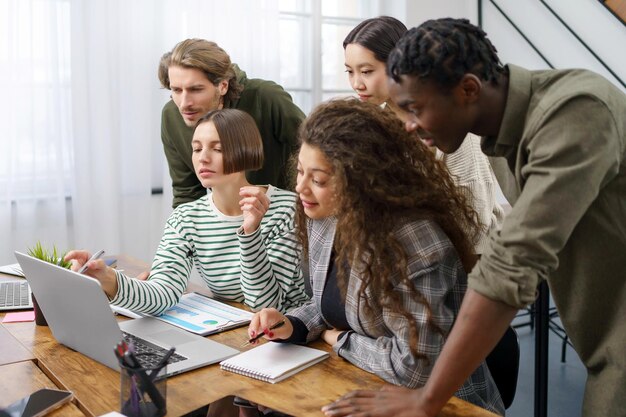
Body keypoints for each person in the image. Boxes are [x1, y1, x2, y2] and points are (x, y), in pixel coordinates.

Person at [323, 18, 626, 417]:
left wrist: (426, 398)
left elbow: (510, 263)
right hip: (603, 336)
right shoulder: (502, 133)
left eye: (415, 109)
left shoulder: (577, 110)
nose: (410, 125)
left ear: (468, 89)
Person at [249, 99, 504, 415]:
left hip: (446, 405)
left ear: (361, 180)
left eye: (318, 179)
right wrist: (294, 324)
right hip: (363, 383)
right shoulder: (328, 217)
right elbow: (331, 302)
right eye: (300, 171)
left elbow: (413, 366)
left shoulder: (414, 243)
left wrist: (340, 340)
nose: (300, 187)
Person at [66, 109, 308, 314]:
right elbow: (162, 292)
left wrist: (250, 232)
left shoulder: (286, 210)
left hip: (294, 341)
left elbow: (265, 306)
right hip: (235, 333)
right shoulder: (186, 218)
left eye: (217, 148)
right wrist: (107, 278)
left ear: (246, 151)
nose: (203, 158)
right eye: (196, 148)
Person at [343, 16, 504, 256]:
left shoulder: (450, 123)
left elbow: (474, 222)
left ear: (398, 65)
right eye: (349, 71)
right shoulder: (376, 124)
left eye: (366, 71)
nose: (356, 83)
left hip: (469, 264)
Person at [159, 38, 305, 208]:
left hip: (284, 213)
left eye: (195, 89)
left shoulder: (266, 97)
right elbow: (186, 194)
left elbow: (314, 151)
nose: (184, 103)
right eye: (176, 90)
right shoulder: (171, 116)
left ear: (223, 85)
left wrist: (298, 210)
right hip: (226, 221)